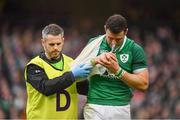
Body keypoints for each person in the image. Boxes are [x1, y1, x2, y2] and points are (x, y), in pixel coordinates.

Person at [79, 14, 149, 119]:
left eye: (118, 39)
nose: (113, 43)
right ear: (105, 29)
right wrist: (95, 61)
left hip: (121, 107)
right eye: (110, 38)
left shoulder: (135, 49)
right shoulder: (94, 43)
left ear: (126, 32)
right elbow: (78, 70)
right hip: (95, 105)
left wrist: (118, 71)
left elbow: (143, 84)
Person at [24, 24, 92, 119]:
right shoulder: (34, 66)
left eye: (58, 44)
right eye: (51, 44)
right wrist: (72, 75)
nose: (56, 48)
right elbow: (46, 88)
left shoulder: (71, 63)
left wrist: (87, 77)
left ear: (63, 41)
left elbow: (83, 90)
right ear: (43, 42)